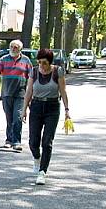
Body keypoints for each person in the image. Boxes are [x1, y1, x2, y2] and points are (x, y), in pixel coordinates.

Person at [21, 48, 70, 185]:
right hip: (36, 106)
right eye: (40, 62)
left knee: (47, 141)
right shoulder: (34, 71)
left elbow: (63, 91)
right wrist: (24, 109)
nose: (42, 66)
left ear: (50, 62)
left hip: (52, 107)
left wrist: (67, 110)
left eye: (44, 63)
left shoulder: (57, 71)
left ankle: (42, 172)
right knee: (33, 142)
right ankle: (37, 158)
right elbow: (29, 91)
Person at [0, 39, 32, 151]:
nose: (13, 49)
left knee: (17, 117)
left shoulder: (26, 60)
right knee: (9, 118)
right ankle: (8, 140)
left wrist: (32, 93)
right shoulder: (3, 59)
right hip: (6, 93)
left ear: (20, 49)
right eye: (12, 46)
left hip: (21, 94)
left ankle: (16, 141)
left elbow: (32, 77)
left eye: (16, 47)